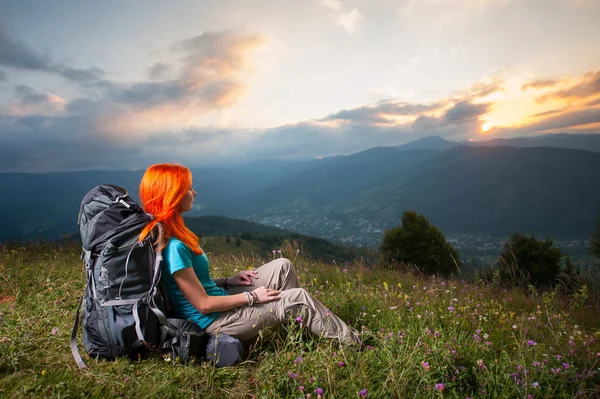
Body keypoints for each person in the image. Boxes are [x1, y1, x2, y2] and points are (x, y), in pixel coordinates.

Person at [138, 163, 360, 345]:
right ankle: (354, 343)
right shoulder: (175, 246)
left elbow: (186, 285)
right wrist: (252, 297)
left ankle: (296, 328)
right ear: (173, 195)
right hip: (214, 322)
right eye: (188, 188)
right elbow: (203, 304)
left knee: (283, 265)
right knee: (298, 298)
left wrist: (228, 281)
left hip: (219, 302)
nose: (194, 192)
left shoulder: (172, 233)